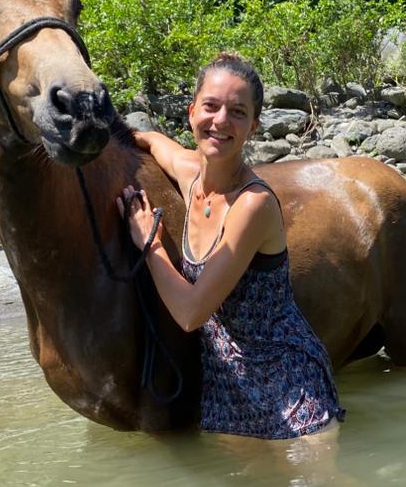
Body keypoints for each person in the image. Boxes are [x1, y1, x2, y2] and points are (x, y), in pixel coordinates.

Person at [118, 52, 345, 441]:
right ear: (191, 113)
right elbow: (157, 143)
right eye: (211, 106)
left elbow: (190, 313)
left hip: (288, 385)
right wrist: (125, 135)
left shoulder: (252, 204)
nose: (220, 121)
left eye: (238, 112)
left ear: (253, 126)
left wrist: (148, 241)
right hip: (227, 388)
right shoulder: (189, 174)